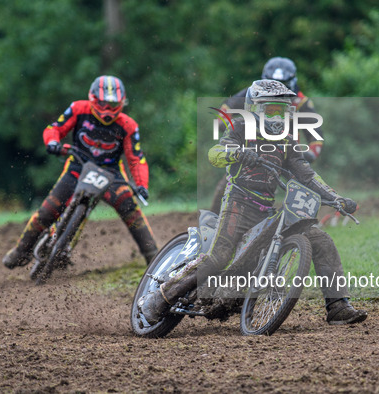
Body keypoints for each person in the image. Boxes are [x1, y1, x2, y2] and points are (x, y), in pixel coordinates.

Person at [138, 80, 367, 326]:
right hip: (237, 204)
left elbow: (307, 175)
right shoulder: (239, 128)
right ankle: (159, 299)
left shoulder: (287, 140)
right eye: (271, 110)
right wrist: (237, 153)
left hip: (266, 209)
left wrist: (336, 198)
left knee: (321, 239)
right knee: (219, 255)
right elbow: (214, 153)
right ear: (254, 108)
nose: (277, 116)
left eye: (282, 110)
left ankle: (338, 305)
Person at [3, 75, 158, 269]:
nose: (108, 109)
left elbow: (136, 159)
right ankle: (20, 251)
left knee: (131, 210)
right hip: (78, 166)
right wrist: (52, 142)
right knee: (47, 211)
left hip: (111, 173)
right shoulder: (78, 109)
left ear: (122, 102)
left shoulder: (128, 125)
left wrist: (142, 185)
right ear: (93, 98)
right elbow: (55, 128)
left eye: (113, 104)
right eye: (103, 103)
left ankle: (153, 258)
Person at [209, 56, 323, 213]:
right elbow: (225, 110)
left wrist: (310, 154)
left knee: (305, 185)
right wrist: (231, 126)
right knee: (232, 182)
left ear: (293, 82)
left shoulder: (301, 102)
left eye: (284, 85)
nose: (278, 91)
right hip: (254, 147)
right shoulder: (253, 94)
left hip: (287, 151)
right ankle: (214, 218)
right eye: (272, 85)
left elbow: (316, 137)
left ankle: (305, 224)